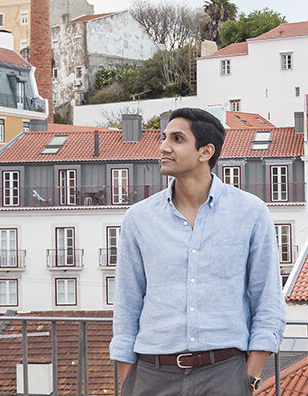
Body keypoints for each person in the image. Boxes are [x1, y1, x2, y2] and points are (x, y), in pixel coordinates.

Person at [110, 108, 287, 396]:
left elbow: (267, 301)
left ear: (205, 152)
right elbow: (127, 305)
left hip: (224, 374)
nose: (164, 147)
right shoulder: (138, 218)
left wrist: (248, 378)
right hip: (151, 376)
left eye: (177, 139)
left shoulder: (251, 213)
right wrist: (127, 380)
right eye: (164, 137)